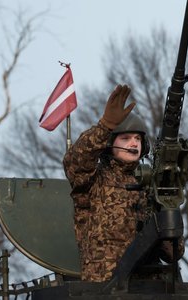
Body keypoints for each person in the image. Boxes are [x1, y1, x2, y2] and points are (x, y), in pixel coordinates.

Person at [63, 84, 153, 282]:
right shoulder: (94, 180)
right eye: (126, 138)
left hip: (147, 286)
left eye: (138, 138)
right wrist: (105, 126)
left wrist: (167, 207)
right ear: (109, 143)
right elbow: (75, 161)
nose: (133, 143)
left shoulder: (151, 186)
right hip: (105, 285)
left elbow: (173, 252)